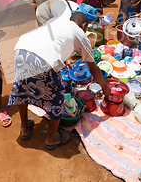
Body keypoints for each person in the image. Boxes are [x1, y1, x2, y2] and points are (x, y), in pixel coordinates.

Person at [8, 12, 111, 150]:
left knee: (23, 89)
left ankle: (25, 128)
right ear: (84, 25)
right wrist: (105, 87)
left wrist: (65, 58)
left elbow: (50, 41)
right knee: (57, 96)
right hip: (42, 60)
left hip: (21, 50)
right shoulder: (81, 34)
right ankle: (52, 138)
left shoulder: (57, 21)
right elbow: (94, 69)